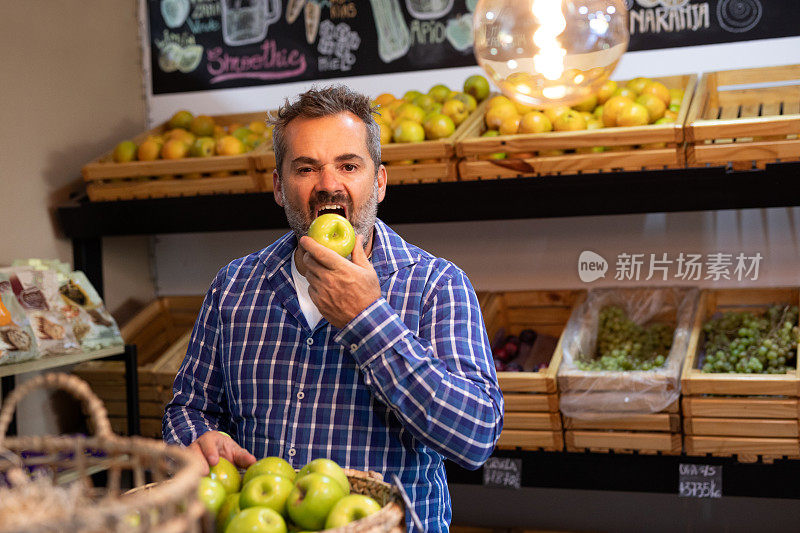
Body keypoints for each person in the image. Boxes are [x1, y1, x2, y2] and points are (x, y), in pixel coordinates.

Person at [163, 85, 503, 531]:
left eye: (348, 165)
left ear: (379, 182)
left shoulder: (436, 285)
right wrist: (200, 440)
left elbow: (475, 438)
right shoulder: (234, 287)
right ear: (279, 187)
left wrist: (367, 319)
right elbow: (188, 407)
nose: (328, 184)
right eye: (306, 168)